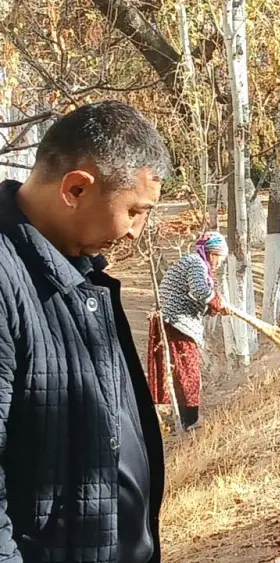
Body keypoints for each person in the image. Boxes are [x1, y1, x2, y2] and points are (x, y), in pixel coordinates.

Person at [0, 101, 169, 561]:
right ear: (75, 188)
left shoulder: (80, 269)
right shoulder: (6, 280)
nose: (137, 231)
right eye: (135, 210)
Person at [147, 231, 230, 431]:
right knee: (187, 371)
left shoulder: (193, 262)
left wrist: (212, 307)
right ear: (212, 254)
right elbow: (200, 291)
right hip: (176, 324)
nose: (218, 264)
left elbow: (195, 295)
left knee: (181, 371)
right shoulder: (196, 263)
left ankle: (184, 419)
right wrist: (217, 302)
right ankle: (189, 421)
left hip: (173, 323)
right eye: (219, 258)